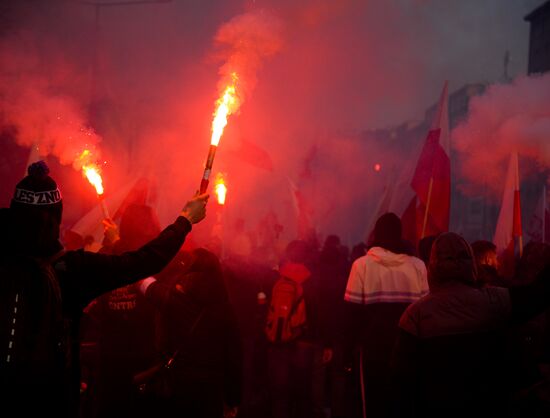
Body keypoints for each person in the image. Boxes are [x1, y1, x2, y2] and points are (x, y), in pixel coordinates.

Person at [0, 161, 208, 418]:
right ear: (57, 217)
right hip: (49, 399)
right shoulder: (72, 269)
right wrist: (185, 220)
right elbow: (143, 261)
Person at [391, 232, 550, 418]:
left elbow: (400, 382)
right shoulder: (495, 301)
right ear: (471, 263)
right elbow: (538, 295)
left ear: (433, 266)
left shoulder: (415, 315)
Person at [137, 247, 243, 418]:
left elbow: (144, 282)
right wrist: (232, 399)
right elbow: (234, 358)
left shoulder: (174, 301)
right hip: (211, 391)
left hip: (179, 387)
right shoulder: (225, 309)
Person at [344, 212, 428, 418]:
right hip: (409, 346)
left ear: (377, 233)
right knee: (405, 402)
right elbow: (425, 311)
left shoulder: (361, 265)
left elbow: (352, 314)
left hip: (373, 347)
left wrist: (347, 352)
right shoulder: (418, 266)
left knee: (373, 402)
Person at [84, 203, 162, 418]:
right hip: (115, 356)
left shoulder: (151, 254)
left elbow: (139, 268)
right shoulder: (110, 253)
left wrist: (116, 243)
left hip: (141, 357)